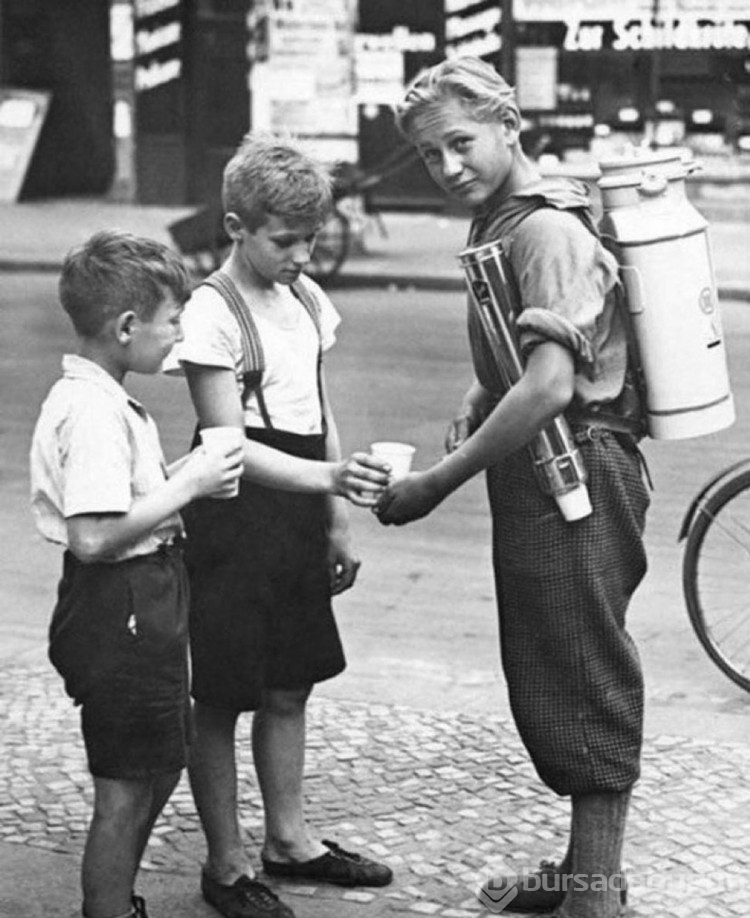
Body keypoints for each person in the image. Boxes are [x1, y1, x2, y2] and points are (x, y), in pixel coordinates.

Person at [377, 57, 650, 918]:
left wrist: (436, 483)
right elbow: (518, 357)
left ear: (509, 124)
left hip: (579, 472)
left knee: (583, 670)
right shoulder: (503, 221)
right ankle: (583, 874)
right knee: (554, 665)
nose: (448, 165)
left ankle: (595, 899)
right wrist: (475, 394)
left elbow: (550, 386)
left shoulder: (544, 230)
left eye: (461, 142)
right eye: (430, 155)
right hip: (546, 471)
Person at [165, 132, 393, 918]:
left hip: (297, 504)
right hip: (232, 509)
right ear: (234, 226)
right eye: (285, 240)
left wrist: (334, 519)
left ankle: (288, 841)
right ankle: (226, 863)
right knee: (224, 691)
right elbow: (225, 445)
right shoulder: (209, 314)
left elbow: (318, 408)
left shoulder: (303, 298)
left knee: (290, 681)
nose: (302, 254)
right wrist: (328, 479)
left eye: (312, 239)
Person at [29, 231, 245, 918]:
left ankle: (116, 898)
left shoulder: (102, 397)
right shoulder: (93, 410)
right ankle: (110, 907)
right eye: (172, 320)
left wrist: (188, 474)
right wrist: (190, 489)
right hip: (120, 606)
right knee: (126, 785)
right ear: (126, 327)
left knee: (161, 758)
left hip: (139, 601)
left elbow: (117, 500)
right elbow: (93, 535)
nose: (178, 337)